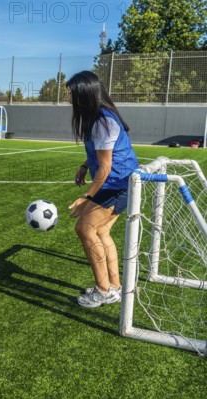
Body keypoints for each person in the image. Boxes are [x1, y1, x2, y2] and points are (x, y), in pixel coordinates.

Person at [66, 70, 139, 309]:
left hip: (116, 184)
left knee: (85, 229)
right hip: (122, 182)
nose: (68, 97)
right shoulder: (99, 118)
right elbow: (99, 155)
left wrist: (86, 198)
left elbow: (106, 168)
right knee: (102, 232)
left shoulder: (104, 120)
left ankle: (103, 290)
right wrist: (84, 166)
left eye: (71, 93)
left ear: (84, 95)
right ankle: (115, 287)